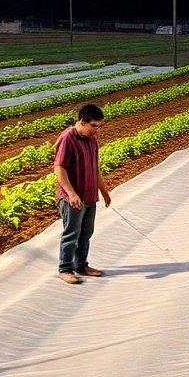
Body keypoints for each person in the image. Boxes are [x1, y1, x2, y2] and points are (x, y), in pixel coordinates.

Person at [54, 103, 111, 285]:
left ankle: (81, 266)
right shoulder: (67, 139)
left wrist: (104, 191)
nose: (96, 130)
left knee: (86, 233)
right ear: (81, 122)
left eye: (99, 126)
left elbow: (95, 169)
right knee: (72, 233)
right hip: (72, 198)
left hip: (89, 196)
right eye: (93, 126)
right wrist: (71, 194)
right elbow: (59, 168)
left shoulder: (92, 141)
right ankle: (65, 269)